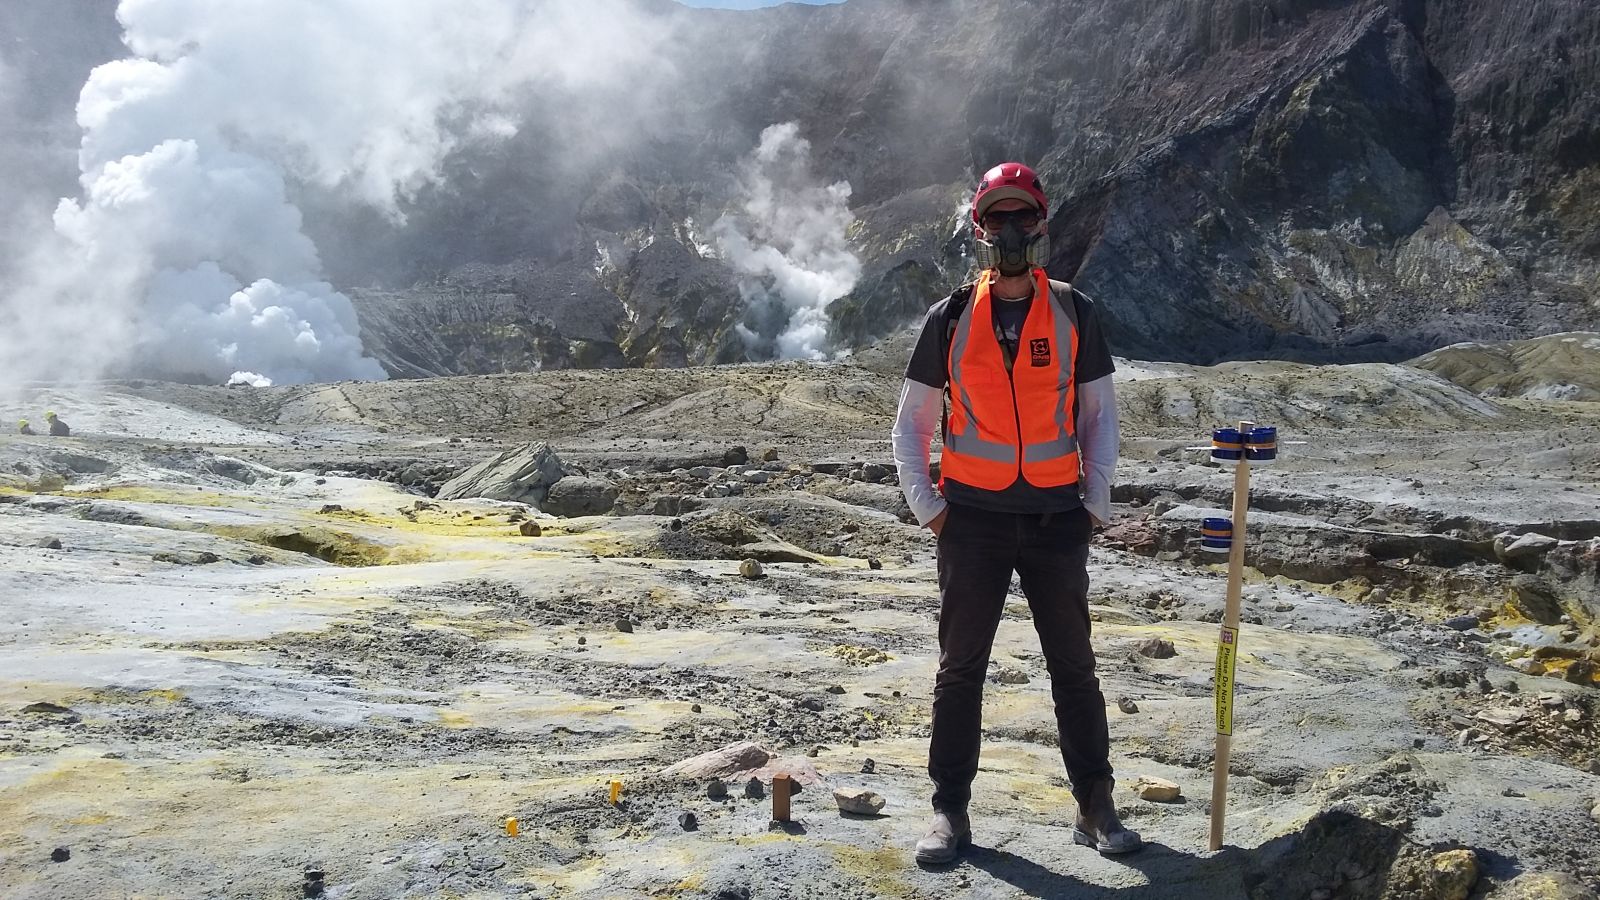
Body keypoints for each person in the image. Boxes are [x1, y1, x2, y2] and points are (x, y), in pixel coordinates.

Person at [892, 162, 1138, 864]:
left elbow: (1100, 418)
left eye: (1021, 218)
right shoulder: (949, 318)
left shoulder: (1072, 311)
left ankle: (1095, 807)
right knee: (959, 670)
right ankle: (950, 813)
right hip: (971, 522)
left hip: (1057, 522)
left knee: (1074, 669)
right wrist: (933, 512)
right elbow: (909, 425)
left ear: (1042, 226)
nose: (1009, 231)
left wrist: (1092, 504)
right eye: (996, 219)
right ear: (978, 230)